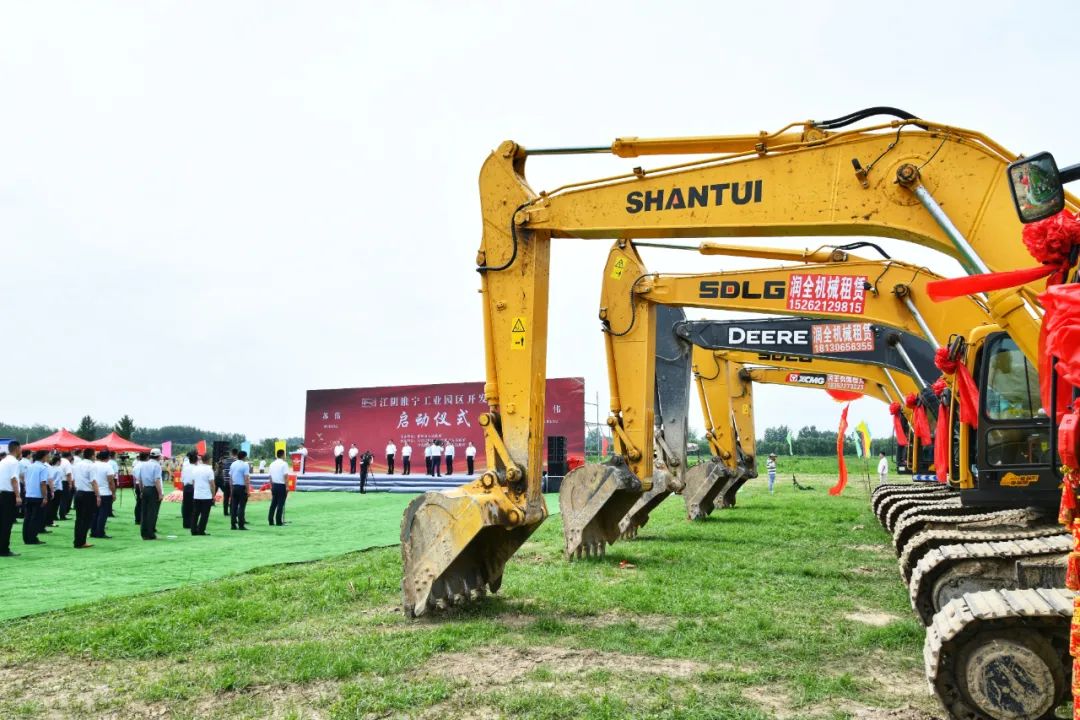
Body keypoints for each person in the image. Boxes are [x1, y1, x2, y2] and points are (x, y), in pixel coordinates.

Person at [22, 450, 50, 545]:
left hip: (29, 494)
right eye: (47, 456)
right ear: (43, 457)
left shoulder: (29, 466)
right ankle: (32, 538)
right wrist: (45, 497)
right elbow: (43, 483)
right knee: (36, 518)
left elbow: (25, 480)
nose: (48, 458)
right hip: (38, 496)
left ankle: (26, 537)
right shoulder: (43, 468)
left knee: (28, 517)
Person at [72, 448, 98, 548]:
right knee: (86, 519)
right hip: (88, 494)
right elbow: (93, 481)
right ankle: (81, 541)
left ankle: (77, 540)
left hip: (78, 492)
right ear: (92, 456)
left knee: (79, 519)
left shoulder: (77, 464)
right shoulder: (91, 466)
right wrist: (98, 495)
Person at [0, 441, 21, 556]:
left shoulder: (3, 461)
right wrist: (17, 496)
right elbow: (14, 480)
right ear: (17, 448)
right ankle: (4, 549)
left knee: (2, 522)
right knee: (7, 523)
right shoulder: (14, 462)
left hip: (1, 493)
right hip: (8, 495)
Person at [136, 450, 164, 540]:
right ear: (158, 456)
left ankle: (144, 533)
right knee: (152, 513)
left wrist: (141, 491)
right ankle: (150, 534)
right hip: (153, 490)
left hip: (145, 488)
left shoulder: (143, 464)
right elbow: (157, 480)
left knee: (144, 512)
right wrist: (160, 493)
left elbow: (139, 479)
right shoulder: (157, 466)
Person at [90, 450, 116, 539]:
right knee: (103, 514)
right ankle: (100, 532)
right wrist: (113, 493)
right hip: (105, 492)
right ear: (108, 457)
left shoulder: (92, 465)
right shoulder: (108, 466)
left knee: (95, 513)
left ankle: (93, 531)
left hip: (94, 491)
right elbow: (111, 482)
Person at [191, 453, 215, 536]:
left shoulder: (195, 468)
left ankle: (193, 530)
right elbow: (212, 484)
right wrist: (213, 495)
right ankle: (201, 530)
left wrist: (196, 490)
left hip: (197, 494)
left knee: (195, 513)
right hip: (206, 495)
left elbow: (193, 482)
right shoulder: (209, 470)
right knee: (204, 514)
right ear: (208, 460)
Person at [229, 450, 252, 530]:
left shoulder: (233, 464)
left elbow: (230, 478)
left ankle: (233, 524)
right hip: (242, 487)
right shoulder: (245, 465)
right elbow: (246, 478)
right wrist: (248, 490)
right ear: (244, 457)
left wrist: (231, 489)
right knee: (241, 507)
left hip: (234, 487)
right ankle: (241, 524)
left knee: (234, 507)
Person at [268, 449, 289, 526]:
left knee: (273, 504)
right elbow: (286, 476)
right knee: (280, 504)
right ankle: (278, 521)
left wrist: (271, 485)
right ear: (283, 455)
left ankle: (270, 520)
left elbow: (270, 476)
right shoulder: (284, 464)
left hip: (274, 485)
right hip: (281, 485)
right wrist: (287, 487)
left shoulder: (272, 464)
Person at [180, 452, 197, 529]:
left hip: (186, 487)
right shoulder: (196, 468)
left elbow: (182, 478)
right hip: (194, 487)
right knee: (193, 507)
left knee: (186, 506)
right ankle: (192, 523)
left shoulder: (185, 467)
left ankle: (186, 524)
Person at [46, 453, 64, 527]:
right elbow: (56, 480)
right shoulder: (59, 469)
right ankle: (51, 520)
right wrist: (54, 488)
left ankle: (50, 519)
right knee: (55, 506)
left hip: (51, 488)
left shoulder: (50, 467)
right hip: (57, 489)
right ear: (58, 461)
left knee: (50, 505)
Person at [219, 448, 237, 517]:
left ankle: (225, 512)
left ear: (231, 453)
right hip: (232, 482)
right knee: (233, 497)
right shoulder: (236, 461)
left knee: (226, 497)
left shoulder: (225, 461)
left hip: (226, 481)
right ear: (236, 454)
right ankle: (232, 511)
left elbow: (223, 470)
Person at [58, 452, 74, 520]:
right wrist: (70, 483)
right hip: (64, 482)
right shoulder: (67, 462)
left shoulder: (59, 460)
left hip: (58, 481)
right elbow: (68, 474)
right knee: (64, 499)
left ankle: (55, 515)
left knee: (58, 499)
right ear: (69, 456)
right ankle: (62, 515)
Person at [131, 452, 144, 525]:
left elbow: (134, 477)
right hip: (143, 486)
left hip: (137, 485)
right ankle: (143, 519)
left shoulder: (136, 466)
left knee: (138, 503)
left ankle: (137, 519)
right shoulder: (145, 466)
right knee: (144, 504)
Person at [107, 452, 120, 517]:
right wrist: (117, 481)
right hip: (112, 479)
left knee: (109, 494)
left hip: (107, 479)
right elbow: (115, 473)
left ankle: (109, 508)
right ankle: (109, 510)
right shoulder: (114, 463)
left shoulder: (108, 462)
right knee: (112, 494)